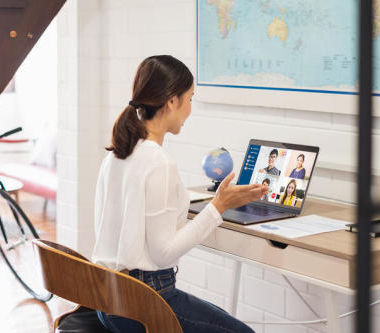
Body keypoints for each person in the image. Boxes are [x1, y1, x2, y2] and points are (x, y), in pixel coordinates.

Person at [92, 55, 267, 333]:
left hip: (108, 301)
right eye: (190, 99)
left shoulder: (117, 155)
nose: (189, 109)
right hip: (145, 302)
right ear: (172, 100)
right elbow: (163, 254)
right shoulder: (157, 162)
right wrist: (218, 207)